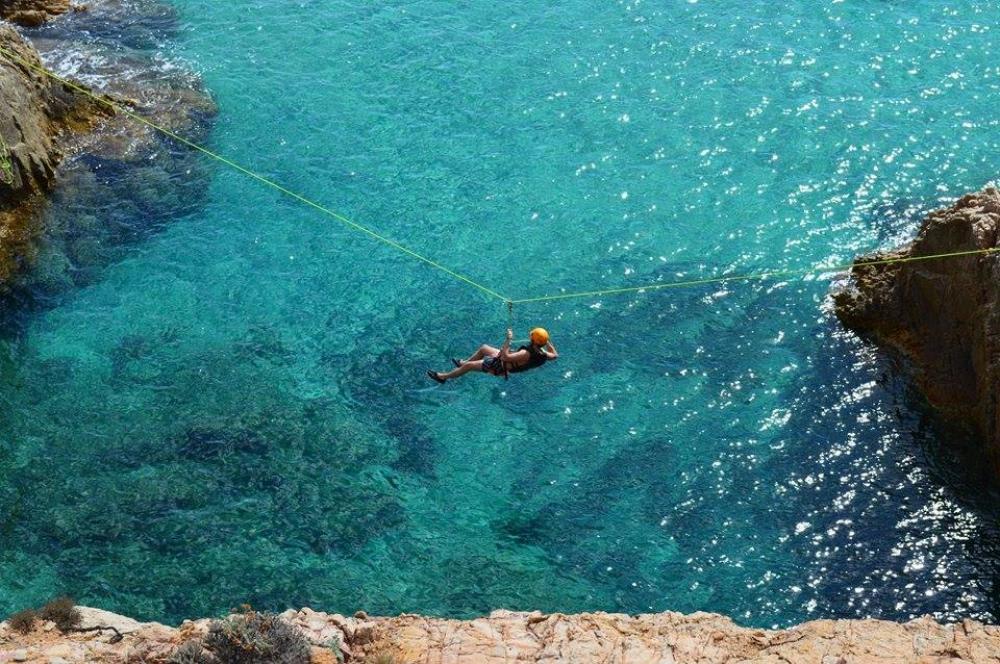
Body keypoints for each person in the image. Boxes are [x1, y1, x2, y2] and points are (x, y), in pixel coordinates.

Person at [427, 327, 558, 383]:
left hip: (500, 365)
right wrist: (546, 341)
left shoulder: (526, 353)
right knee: (484, 348)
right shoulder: (542, 354)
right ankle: (463, 363)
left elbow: (505, 357)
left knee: (470, 367)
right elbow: (555, 355)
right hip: (507, 361)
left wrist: (508, 340)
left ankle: (443, 377)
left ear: (533, 339)